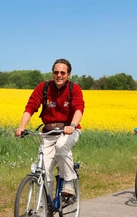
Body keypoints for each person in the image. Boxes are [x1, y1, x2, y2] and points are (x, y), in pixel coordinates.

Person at [14, 59, 85, 196]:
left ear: (68, 74)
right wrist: (21, 127)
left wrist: (72, 125)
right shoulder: (44, 87)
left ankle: (69, 182)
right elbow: (30, 107)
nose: (59, 75)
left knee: (61, 146)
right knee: (44, 169)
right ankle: (48, 204)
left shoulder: (74, 89)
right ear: (52, 73)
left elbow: (79, 109)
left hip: (69, 130)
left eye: (62, 73)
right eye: (56, 72)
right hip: (48, 132)